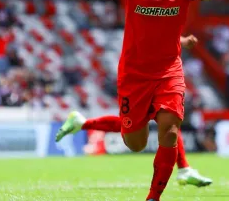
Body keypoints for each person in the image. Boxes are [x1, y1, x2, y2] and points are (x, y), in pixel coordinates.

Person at [56, 0, 217, 200]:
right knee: (135, 142)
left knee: (170, 130)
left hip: (169, 72)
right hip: (134, 74)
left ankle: (153, 197)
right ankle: (83, 122)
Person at [56, 35, 212, 187]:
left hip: (159, 77)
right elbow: (153, 36)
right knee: (135, 126)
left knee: (168, 119)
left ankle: (184, 168)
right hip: (140, 78)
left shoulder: (162, 17)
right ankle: (82, 123)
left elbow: (163, 35)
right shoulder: (145, 15)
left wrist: (182, 40)